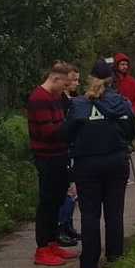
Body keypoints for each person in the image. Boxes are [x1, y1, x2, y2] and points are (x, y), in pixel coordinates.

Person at [65, 59, 135, 268]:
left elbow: (67, 134)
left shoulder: (78, 104)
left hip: (87, 165)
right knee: (114, 212)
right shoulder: (121, 103)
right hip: (116, 161)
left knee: (90, 213)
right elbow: (131, 130)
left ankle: (89, 262)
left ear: (90, 79)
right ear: (111, 80)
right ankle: (115, 257)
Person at [26, 61, 81, 266]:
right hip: (46, 157)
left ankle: (51, 242)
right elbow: (48, 132)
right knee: (47, 202)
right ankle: (42, 248)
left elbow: (60, 123)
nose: (66, 89)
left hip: (59, 155)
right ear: (55, 79)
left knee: (58, 199)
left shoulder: (55, 97)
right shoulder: (38, 98)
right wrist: (72, 129)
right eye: (64, 85)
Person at [56, 67, 81, 247]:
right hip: (66, 149)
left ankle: (69, 224)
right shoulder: (61, 101)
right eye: (75, 80)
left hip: (74, 147)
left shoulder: (72, 99)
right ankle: (61, 227)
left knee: (73, 191)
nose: (77, 84)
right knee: (68, 191)